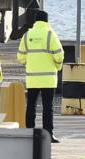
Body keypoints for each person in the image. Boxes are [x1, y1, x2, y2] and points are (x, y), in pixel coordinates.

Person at [17, 10, 64, 143]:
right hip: (48, 79)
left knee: (31, 106)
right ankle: (48, 134)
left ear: (35, 21)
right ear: (46, 21)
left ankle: (29, 132)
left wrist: (30, 63)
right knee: (47, 107)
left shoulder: (27, 35)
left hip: (32, 78)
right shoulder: (50, 35)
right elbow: (59, 55)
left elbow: (20, 57)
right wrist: (57, 66)